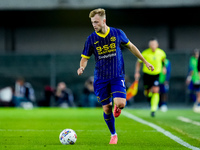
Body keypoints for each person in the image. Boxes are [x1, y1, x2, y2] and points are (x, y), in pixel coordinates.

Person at [77, 8, 154, 144]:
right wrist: (82, 67)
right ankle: (113, 134)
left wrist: (145, 61)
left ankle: (118, 107)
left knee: (121, 103)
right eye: (92, 23)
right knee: (107, 107)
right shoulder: (91, 39)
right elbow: (85, 57)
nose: (94, 25)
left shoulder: (117, 33)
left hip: (117, 75)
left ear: (104, 20)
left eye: (96, 22)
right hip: (100, 78)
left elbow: (131, 47)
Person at [135, 38, 166, 117]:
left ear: (157, 45)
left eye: (154, 44)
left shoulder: (161, 53)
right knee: (147, 92)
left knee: (156, 90)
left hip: (156, 74)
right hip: (147, 74)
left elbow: (163, 61)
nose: (153, 46)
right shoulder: (145, 53)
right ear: (149, 45)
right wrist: (137, 72)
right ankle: (149, 98)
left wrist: (164, 67)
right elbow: (139, 63)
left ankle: (153, 109)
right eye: (151, 44)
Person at [186, 49, 200, 113]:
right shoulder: (192, 60)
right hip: (194, 78)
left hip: (198, 78)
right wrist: (189, 78)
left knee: (198, 92)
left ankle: (197, 104)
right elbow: (191, 69)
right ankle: (196, 103)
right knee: (191, 92)